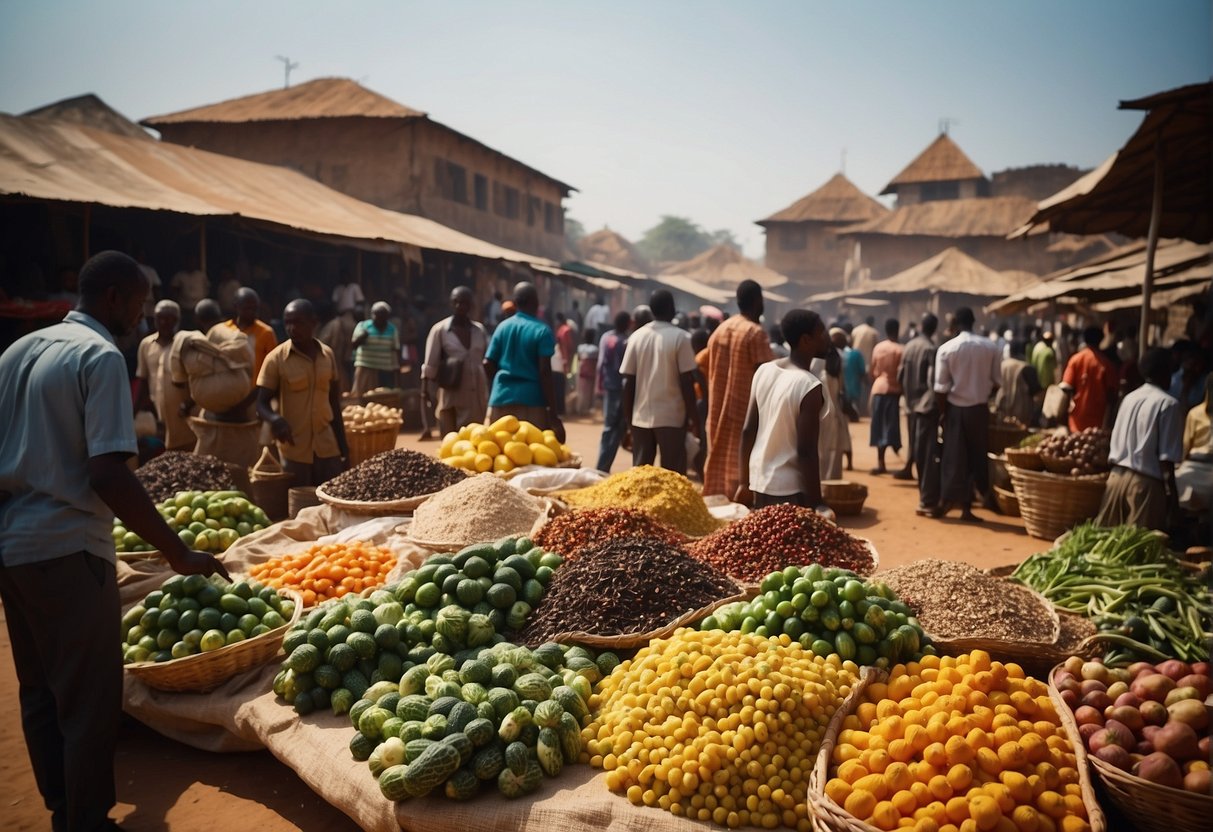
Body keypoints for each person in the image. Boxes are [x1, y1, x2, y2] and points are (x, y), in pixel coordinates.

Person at [0, 251, 229, 832]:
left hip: (14, 550)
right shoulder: (100, 356)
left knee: (40, 692)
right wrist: (178, 552)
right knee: (88, 700)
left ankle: (60, 809)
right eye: (139, 302)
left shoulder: (15, 353)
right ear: (114, 298)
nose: (142, 314)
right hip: (68, 549)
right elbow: (107, 473)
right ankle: (87, 820)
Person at [735, 309, 834, 517]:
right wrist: (818, 502)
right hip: (791, 490)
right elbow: (806, 451)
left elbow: (747, 431)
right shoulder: (809, 386)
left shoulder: (764, 371)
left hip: (760, 482)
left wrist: (744, 482)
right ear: (806, 340)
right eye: (821, 332)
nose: (827, 337)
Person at [256, 299, 349, 487]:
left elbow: (333, 403)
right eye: (287, 322)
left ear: (313, 323)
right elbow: (261, 404)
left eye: (298, 322)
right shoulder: (276, 359)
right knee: (300, 506)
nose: (291, 328)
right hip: (295, 449)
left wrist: (343, 446)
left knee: (331, 501)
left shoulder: (327, 355)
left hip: (327, 447)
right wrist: (275, 420)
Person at [1095, 348, 1183, 530]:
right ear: (1163, 372)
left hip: (1116, 479)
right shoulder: (1168, 404)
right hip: (1145, 486)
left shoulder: (1129, 398)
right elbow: (1166, 462)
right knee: (1139, 552)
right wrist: (1174, 503)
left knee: (1108, 546)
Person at [702, 281, 775, 497]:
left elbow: (702, 362)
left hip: (717, 410)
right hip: (746, 413)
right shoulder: (755, 333)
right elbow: (767, 375)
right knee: (744, 465)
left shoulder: (720, 330)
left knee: (719, 459)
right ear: (758, 301)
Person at [930, 306, 1002, 522]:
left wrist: (943, 413)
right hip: (979, 410)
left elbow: (940, 388)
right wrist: (981, 393)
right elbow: (998, 383)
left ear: (955, 324)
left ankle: (947, 500)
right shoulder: (990, 347)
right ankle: (968, 506)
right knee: (976, 457)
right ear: (974, 322)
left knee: (954, 458)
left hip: (955, 409)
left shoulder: (947, 348)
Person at [621, 290, 701, 475]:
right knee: (672, 476)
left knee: (640, 477)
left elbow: (628, 383)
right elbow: (687, 382)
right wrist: (695, 419)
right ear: (671, 309)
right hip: (671, 418)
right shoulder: (681, 337)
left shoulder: (636, 337)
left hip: (640, 418)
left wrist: (629, 421)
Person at [484, 283, 565, 440]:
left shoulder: (502, 327)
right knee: (531, 458)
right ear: (534, 301)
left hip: (500, 398)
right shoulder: (541, 330)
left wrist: (500, 384)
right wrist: (553, 414)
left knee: (499, 454)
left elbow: (487, 363)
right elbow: (545, 372)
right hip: (532, 402)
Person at [421, 286, 489, 435]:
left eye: (464, 303)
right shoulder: (440, 330)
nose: (460, 306)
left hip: (476, 393)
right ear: (451, 304)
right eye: (456, 302)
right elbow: (430, 364)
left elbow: (487, 360)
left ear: (471, 305)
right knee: (449, 440)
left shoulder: (479, 331)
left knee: (475, 438)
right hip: (450, 392)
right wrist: (425, 390)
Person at [134, 299, 194, 449]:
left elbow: (195, 379)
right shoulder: (146, 345)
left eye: (169, 318)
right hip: (158, 413)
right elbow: (143, 379)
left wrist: (190, 403)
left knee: (187, 449)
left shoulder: (185, 345)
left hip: (184, 412)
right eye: (160, 318)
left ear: (177, 320)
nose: (164, 322)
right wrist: (135, 410)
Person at [898, 313, 941, 511]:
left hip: (910, 404)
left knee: (916, 448)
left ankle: (925, 494)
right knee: (926, 452)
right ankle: (926, 499)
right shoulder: (930, 348)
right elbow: (933, 382)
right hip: (925, 406)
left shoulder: (909, 346)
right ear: (934, 328)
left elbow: (900, 376)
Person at [1061, 326, 1118, 433]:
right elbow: (1112, 396)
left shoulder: (1075, 360)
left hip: (1076, 420)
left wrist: (1062, 417)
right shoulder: (1106, 364)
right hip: (1099, 422)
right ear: (1101, 340)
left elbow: (1066, 388)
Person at [595, 310, 632, 472]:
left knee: (609, 426)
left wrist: (600, 384)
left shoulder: (605, 337)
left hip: (609, 386)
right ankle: (603, 466)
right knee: (616, 427)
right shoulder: (625, 342)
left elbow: (600, 364)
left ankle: (602, 465)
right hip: (620, 388)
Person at [813, 329, 851, 481]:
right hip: (833, 414)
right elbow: (841, 387)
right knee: (833, 451)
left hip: (820, 414)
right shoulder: (836, 360)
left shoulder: (816, 364)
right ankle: (830, 485)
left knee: (820, 452)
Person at [868, 318, 904, 475]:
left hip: (878, 388)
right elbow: (902, 373)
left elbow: (873, 371)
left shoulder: (878, 347)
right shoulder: (900, 349)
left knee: (878, 425)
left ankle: (881, 462)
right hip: (893, 391)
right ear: (897, 330)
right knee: (890, 426)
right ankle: (896, 451)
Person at [222, 287, 278, 383]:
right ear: (236, 306)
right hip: (229, 391)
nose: (252, 312)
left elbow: (274, 368)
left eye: (255, 308)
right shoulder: (223, 330)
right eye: (247, 308)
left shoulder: (266, 332)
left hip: (255, 393)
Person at [1175, 376, 1212, 515]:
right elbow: (1185, 446)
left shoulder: (1195, 412)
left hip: (1203, 469)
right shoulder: (1195, 413)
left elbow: (1185, 446)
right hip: (1195, 466)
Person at [351, 301, 401, 396]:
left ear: (387, 317)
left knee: (384, 400)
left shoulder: (392, 330)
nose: (378, 318)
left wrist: (397, 375)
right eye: (376, 315)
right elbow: (353, 345)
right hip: (365, 369)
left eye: (382, 316)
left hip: (384, 371)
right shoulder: (363, 326)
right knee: (361, 398)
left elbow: (396, 352)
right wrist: (362, 336)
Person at [993, 340, 1041, 427]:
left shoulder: (1002, 365)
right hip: (1021, 414)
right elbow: (1036, 391)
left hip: (1002, 411)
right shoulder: (1026, 368)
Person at [850, 316, 879, 416]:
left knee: (855, 385)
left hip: (854, 360)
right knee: (866, 388)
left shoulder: (856, 330)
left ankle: (857, 409)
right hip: (868, 363)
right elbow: (876, 348)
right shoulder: (874, 332)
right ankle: (864, 410)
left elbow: (851, 344)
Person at [552, 312, 575, 417]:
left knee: (558, 387)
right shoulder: (565, 330)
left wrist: (565, 361)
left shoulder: (562, 329)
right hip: (561, 360)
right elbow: (567, 346)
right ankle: (560, 410)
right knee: (560, 386)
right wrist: (566, 361)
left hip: (558, 360)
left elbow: (564, 346)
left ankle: (558, 410)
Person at [574, 328, 599, 416]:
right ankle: (587, 408)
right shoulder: (595, 349)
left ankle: (580, 408)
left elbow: (578, 359)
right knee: (589, 391)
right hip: (591, 373)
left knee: (580, 390)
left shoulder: (580, 348)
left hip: (581, 372)